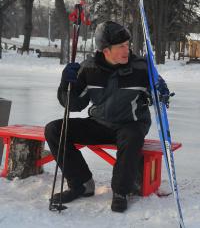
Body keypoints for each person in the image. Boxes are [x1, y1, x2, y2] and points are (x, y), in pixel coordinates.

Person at [44, 21, 171, 212]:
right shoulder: (89, 68)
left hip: (131, 123)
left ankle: (121, 191)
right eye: (121, 46)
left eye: (127, 45)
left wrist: (162, 91)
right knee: (54, 130)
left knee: (132, 136)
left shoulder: (141, 68)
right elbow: (74, 104)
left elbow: (160, 98)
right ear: (105, 50)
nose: (126, 50)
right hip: (100, 123)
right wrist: (66, 83)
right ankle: (81, 183)